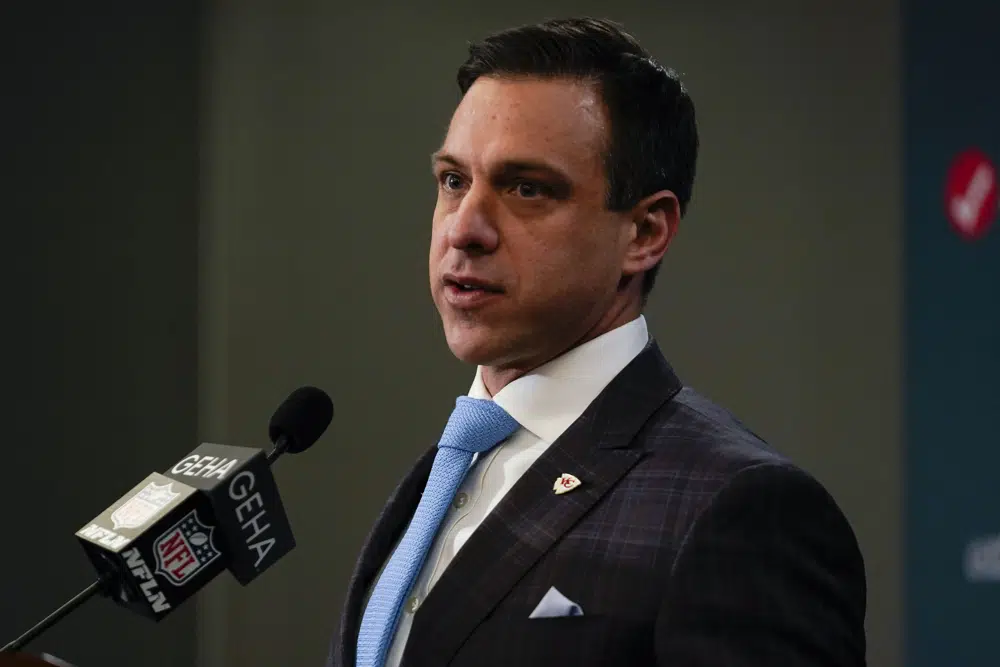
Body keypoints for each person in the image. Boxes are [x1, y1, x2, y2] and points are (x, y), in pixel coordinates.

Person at [327, 17, 867, 667]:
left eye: (526, 188)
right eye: (453, 181)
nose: (465, 228)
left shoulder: (739, 510)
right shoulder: (441, 476)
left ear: (644, 232)